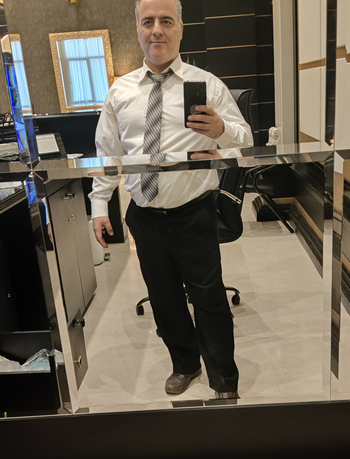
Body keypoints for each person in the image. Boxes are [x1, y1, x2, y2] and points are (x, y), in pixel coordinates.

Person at [89, 0, 253, 399]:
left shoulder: (207, 84)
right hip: (144, 216)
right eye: (148, 22)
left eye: (166, 21)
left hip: (193, 212)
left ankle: (224, 380)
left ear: (181, 28)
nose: (156, 30)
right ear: (138, 29)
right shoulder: (120, 91)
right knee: (164, 301)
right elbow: (108, 153)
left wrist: (220, 129)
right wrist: (99, 206)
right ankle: (185, 364)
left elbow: (246, 141)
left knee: (209, 299)